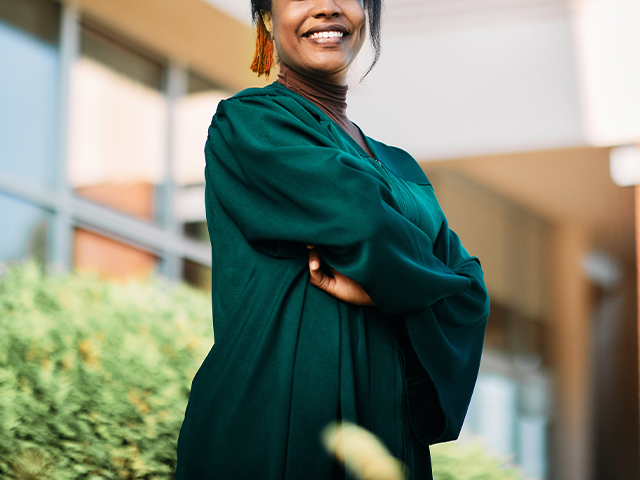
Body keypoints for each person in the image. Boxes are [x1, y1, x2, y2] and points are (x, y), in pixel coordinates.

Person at [176, 1, 490, 478]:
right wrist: (412, 280)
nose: (326, 7)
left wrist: (383, 286)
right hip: (271, 423)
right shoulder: (252, 125)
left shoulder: (401, 165)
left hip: (384, 431)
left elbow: (471, 292)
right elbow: (362, 218)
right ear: (265, 18)